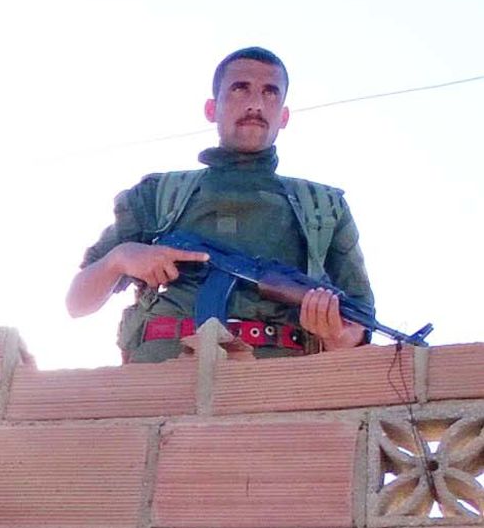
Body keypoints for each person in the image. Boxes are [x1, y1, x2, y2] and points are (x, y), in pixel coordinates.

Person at [66, 47, 376, 362]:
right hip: (163, 371)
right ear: (212, 109)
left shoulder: (323, 207)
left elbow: (360, 323)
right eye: (240, 89)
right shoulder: (157, 194)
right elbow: (77, 303)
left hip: (279, 380)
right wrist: (119, 259)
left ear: (283, 116)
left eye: (270, 93)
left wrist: (337, 335)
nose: (255, 104)